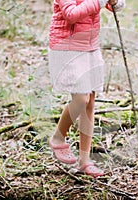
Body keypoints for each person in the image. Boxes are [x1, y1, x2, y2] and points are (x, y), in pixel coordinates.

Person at [48, 0, 125, 177]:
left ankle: (85, 161)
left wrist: (115, 3)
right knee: (81, 99)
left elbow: (113, 6)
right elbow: (71, 14)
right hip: (68, 47)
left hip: (90, 47)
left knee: (90, 103)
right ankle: (58, 137)